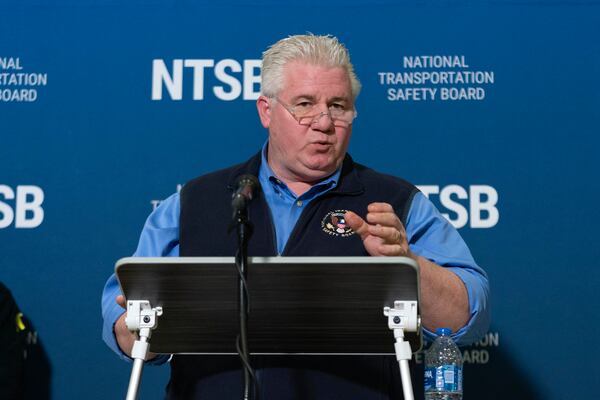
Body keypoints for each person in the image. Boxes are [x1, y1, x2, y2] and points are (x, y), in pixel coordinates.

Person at [102, 34, 489, 399]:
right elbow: (123, 324)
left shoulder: (397, 204)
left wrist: (408, 264)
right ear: (266, 111)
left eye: (338, 106)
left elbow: (465, 316)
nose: (324, 122)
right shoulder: (195, 202)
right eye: (304, 104)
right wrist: (134, 324)